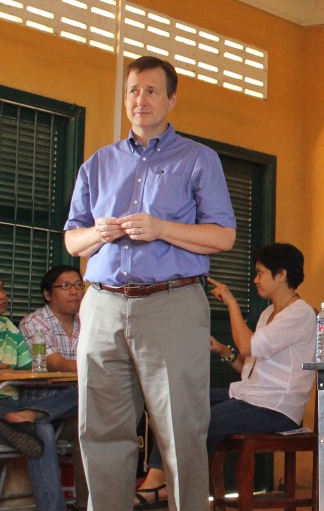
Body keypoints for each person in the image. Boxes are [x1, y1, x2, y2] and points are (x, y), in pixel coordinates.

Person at [64, 55, 237, 510]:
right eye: (133, 91)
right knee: (99, 431)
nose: (140, 100)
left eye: (152, 91)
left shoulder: (200, 159)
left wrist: (162, 228)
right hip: (101, 306)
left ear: (172, 99)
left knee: (181, 430)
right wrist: (97, 234)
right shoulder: (97, 164)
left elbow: (223, 235)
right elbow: (72, 242)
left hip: (171, 304)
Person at [134, 242, 316, 506]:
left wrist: (231, 302)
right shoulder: (268, 313)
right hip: (252, 397)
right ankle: (157, 480)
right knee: (177, 401)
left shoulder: (300, 313)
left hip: (275, 408)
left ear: (282, 274)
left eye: (260, 272)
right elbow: (250, 369)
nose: (255, 280)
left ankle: (163, 488)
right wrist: (222, 350)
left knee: (195, 421)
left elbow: (248, 346)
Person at [0, 272, 79, 511]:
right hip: (6, 404)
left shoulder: (8, 327)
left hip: (14, 403)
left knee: (88, 390)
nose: (4, 296)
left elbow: (32, 370)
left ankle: (34, 413)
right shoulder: (33, 323)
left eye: (3, 288)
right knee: (42, 429)